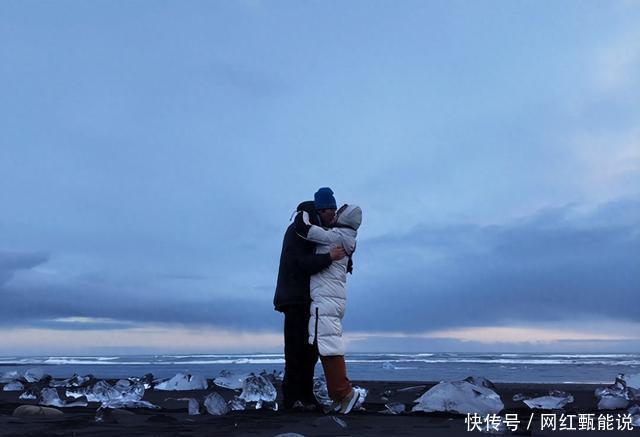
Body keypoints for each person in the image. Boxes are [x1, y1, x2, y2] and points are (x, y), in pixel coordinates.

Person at [273, 188, 346, 410]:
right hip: (295, 298)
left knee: (310, 351)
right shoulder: (298, 230)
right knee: (296, 350)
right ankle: (290, 398)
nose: (333, 215)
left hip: (311, 300)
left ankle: (306, 395)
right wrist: (329, 257)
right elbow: (299, 263)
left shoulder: (317, 232)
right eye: (330, 210)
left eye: (335, 210)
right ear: (320, 210)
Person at [294, 199, 362, 414]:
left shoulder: (335, 236)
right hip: (332, 299)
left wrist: (303, 210)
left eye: (339, 212)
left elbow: (303, 229)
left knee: (328, 346)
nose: (334, 214)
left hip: (326, 299)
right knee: (327, 343)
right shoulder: (345, 237)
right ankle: (339, 396)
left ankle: (345, 393)